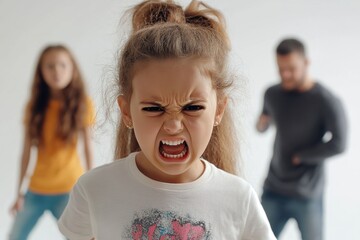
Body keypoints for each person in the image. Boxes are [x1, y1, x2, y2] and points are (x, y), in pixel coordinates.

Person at [58, 1, 276, 239]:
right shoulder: (94, 190)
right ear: (127, 112)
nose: (173, 126)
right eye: (154, 108)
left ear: (218, 110)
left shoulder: (239, 199)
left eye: (192, 107)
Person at [256, 38, 347, 240]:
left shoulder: (326, 100)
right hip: (273, 187)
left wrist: (303, 156)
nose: (285, 75)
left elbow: (340, 143)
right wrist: (261, 125)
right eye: (280, 69)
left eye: (291, 68)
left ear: (306, 62)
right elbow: (264, 122)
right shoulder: (272, 93)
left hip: (307, 193)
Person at [8, 45, 95, 240]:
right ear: (41, 71)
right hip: (36, 190)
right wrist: (19, 193)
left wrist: (91, 190)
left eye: (62, 65)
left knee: (84, 237)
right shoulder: (33, 106)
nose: (57, 71)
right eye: (50, 66)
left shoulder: (82, 104)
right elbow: (25, 152)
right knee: (15, 236)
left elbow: (88, 147)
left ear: (72, 69)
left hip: (69, 190)